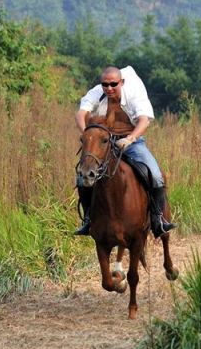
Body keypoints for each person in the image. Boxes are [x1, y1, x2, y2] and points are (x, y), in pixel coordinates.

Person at [74, 65, 176, 238]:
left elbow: (144, 121)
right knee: (82, 176)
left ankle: (158, 219)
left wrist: (129, 139)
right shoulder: (97, 92)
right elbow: (80, 113)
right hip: (103, 141)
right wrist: (87, 134)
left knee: (155, 174)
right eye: (105, 84)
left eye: (113, 84)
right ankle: (88, 219)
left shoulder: (134, 92)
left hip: (131, 140)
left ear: (122, 82)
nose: (109, 88)